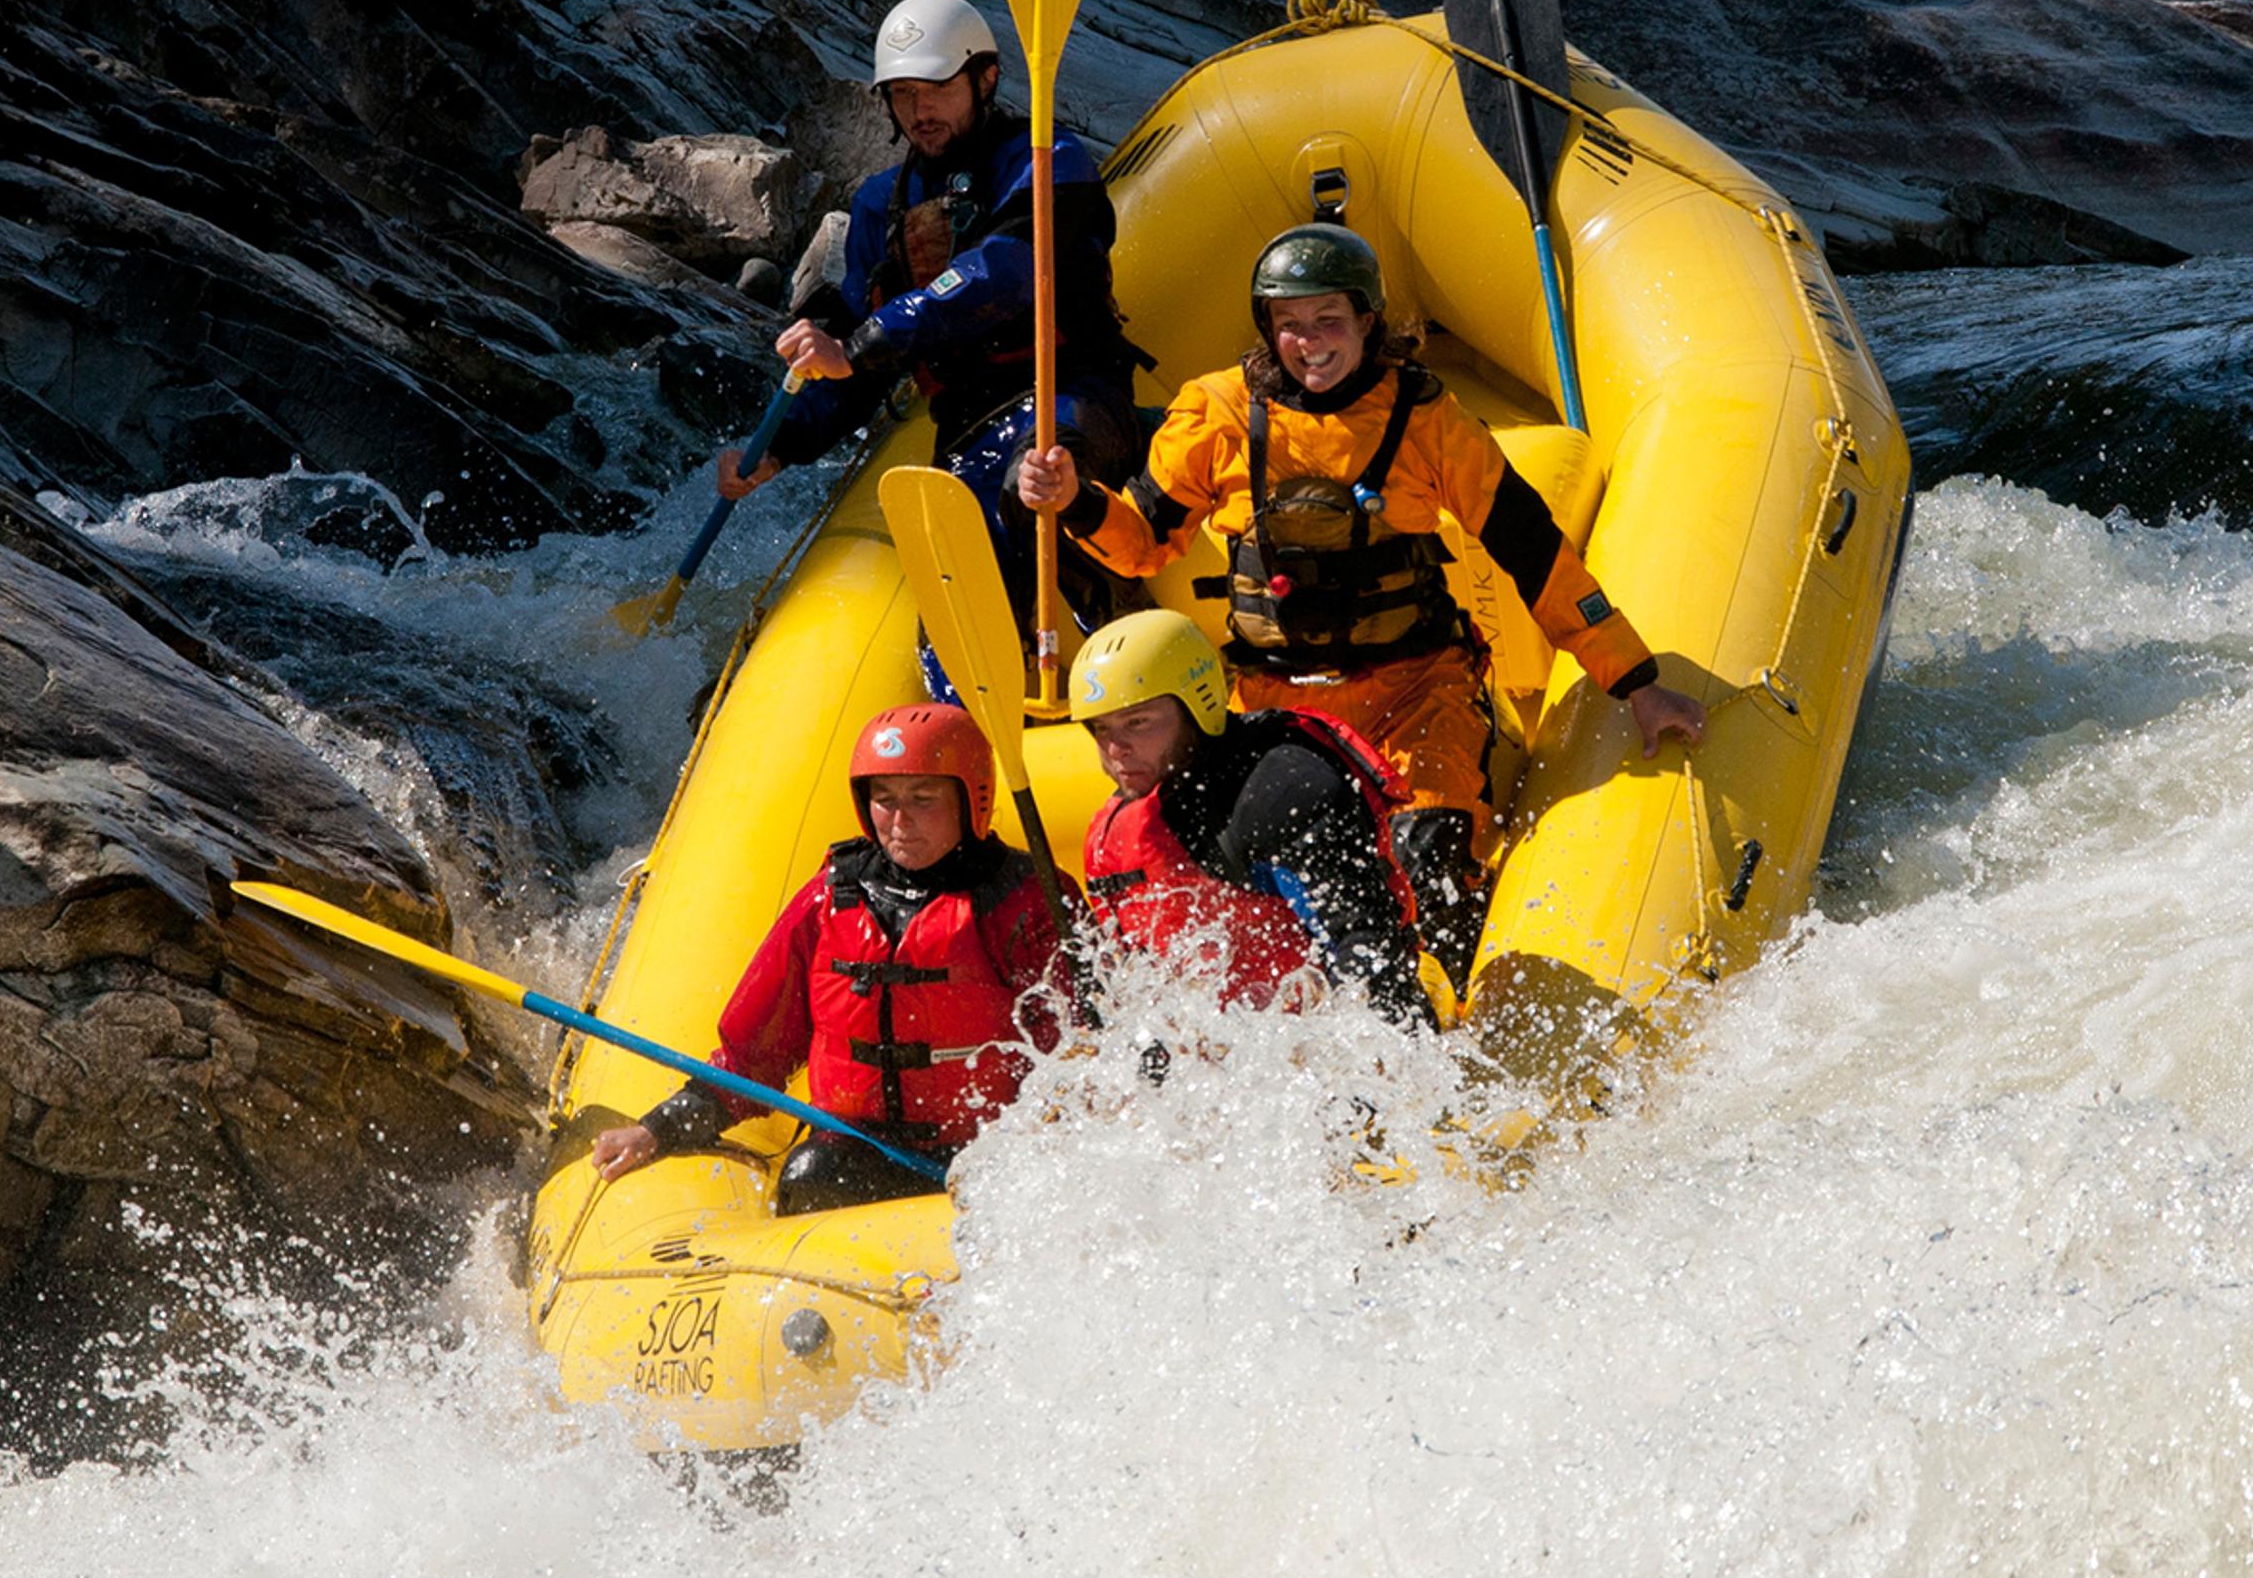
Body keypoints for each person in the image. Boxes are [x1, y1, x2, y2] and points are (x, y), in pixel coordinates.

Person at [1010, 222, 1709, 988]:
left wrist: (1635, 682)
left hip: (1415, 694)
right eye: (1289, 325)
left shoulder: (1429, 420)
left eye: (1328, 322)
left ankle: (1454, 1008)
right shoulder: (1215, 415)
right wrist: (1076, 503)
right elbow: (1143, 542)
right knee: (1281, 873)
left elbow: (1534, 552)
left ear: (1368, 322)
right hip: (1276, 709)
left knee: (1427, 857)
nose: (1309, 343)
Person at [716, 0, 1143, 639]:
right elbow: (858, 356)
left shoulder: (1047, 160)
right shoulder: (880, 204)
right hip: (966, 423)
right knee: (952, 571)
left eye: (937, 88)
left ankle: (1131, 650)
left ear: (985, 78)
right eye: (903, 93)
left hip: (1070, 394)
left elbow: (1005, 271)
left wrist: (859, 343)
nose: (920, 110)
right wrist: (780, 446)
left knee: (1026, 495)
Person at [591, 703, 1073, 1212]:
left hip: (990, 1157)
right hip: (863, 1153)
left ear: (971, 798)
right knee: (809, 1176)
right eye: (884, 800)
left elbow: (1077, 1056)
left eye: (923, 798)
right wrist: (657, 1130)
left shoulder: (1024, 901)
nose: (899, 820)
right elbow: (751, 1057)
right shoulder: (831, 898)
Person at [1064, 611, 1432, 1032]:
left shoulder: (1282, 789)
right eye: (1101, 729)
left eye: (1138, 722)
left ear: (1197, 702)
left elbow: (1364, 952)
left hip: (1324, 1037)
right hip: (1233, 1050)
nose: (1116, 748)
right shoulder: (1121, 826)